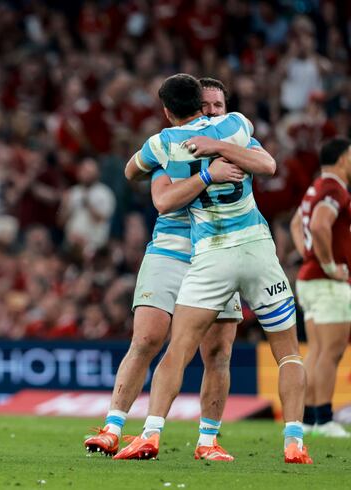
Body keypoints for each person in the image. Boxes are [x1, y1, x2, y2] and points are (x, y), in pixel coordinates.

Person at [113, 74, 311, 464]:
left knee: (178, 350)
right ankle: (294, 442)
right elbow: (268, 164)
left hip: (211, 256)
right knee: (288, 353)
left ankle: (150, 434)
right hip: (258, 250)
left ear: (167, 111)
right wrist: (218, 146)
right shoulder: (236, 125)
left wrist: (178, 159)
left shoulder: (162, 144)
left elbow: (131, 171)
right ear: (202, 104)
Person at [85, 77, 273, 461]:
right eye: (206, 105)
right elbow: (162, 199)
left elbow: (267, 164)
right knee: (146, 339)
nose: (212, 111)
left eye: (219, 106)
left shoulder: (235, 140)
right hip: (171, 250)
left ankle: (208, 441)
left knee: (218, 352)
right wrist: (207, 175)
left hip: (220, 252)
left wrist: (225, 153)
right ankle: (112, 428)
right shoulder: (168, 148)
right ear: (195, 107)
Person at [290, 137, 351, 438]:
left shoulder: (315, 188)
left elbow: (295, 224)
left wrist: (308, 255)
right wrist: (328, 265)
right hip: (327, 283)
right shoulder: (334, 189)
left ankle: (309, 418)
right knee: (331, 352)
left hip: (309, 280)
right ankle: (325, 420)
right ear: (342, 159)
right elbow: (318, 225)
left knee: (316, 351)